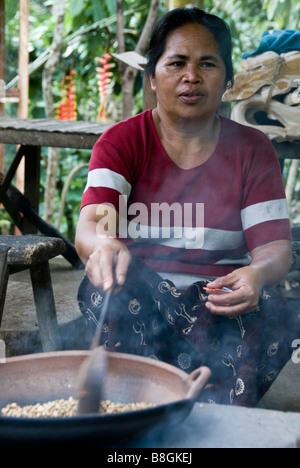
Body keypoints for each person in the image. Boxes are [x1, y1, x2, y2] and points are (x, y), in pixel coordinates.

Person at [76, 8, 297, 407]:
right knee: (104, 287)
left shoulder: (252, 151)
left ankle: (213, 415)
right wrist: (103, 247)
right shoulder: (121, 143)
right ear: (152, 77)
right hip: (142, 298)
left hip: (216, 300)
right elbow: (92, 227)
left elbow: (275, 248)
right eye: (176, 62)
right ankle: (130, 407)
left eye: (207, 64)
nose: (191, 76)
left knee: (270, 308)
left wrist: (256, 273)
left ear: (228, 80)